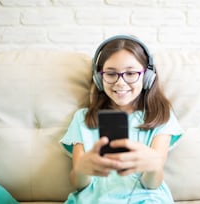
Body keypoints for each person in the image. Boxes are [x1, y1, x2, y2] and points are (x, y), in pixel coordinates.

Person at [60, 35, 183, 204]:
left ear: (147, 77)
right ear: (98, 78)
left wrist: (153, 166)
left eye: (131, 73)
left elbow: (152, 184)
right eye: (111, 74)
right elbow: (79, 184)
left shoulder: (160, 116)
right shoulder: (82, 119)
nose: (120, 82)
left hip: (146, 198)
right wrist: (81, 169)